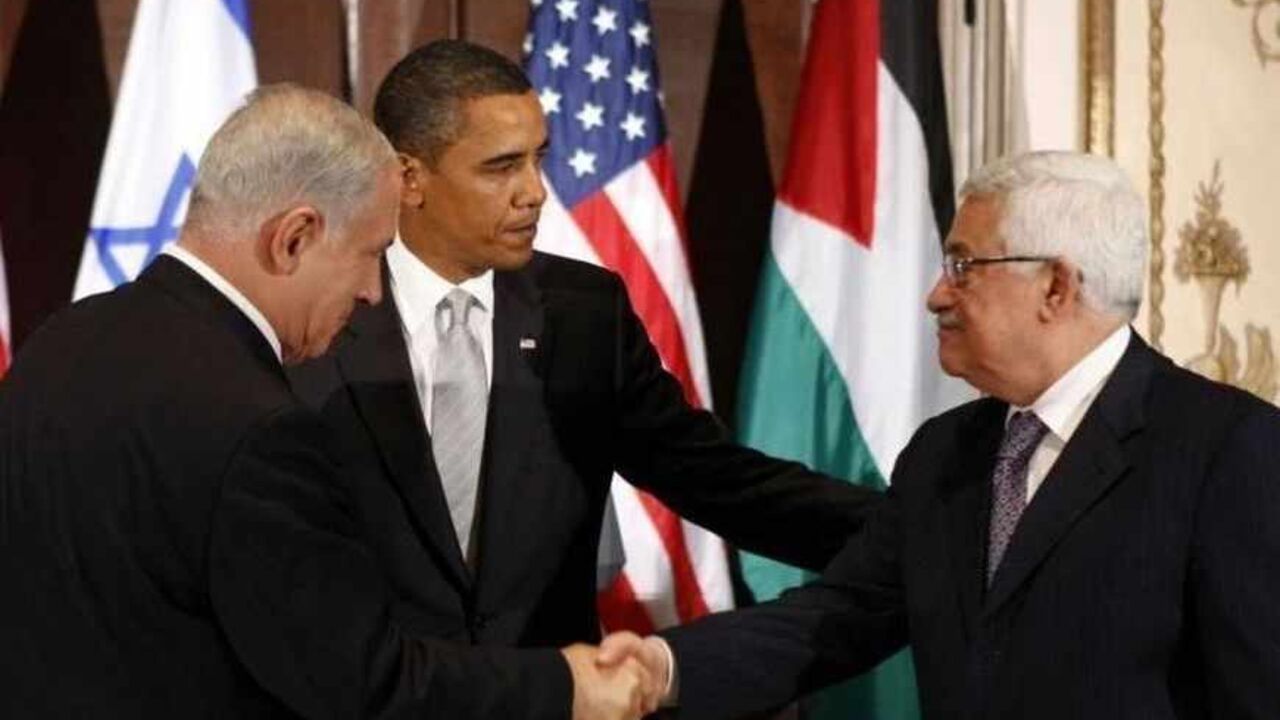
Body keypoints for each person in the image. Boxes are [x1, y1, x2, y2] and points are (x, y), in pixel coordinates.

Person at [0, 84, 654, 720]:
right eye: (372, 254)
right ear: (293, 238)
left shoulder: (59, 344)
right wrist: (566, 687)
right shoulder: (258, 428)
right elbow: (364, 683)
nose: (374, 291)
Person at [286, 37, 878, 700]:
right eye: (500, 167)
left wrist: (913, 531)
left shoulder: (583, 313)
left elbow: (718, 480)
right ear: (410, 177)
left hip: (549, 703)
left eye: (538, 159)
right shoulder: (316, 317)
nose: (534, 193)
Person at [602, 150, 1280, 719]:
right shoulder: (944, 454)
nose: (936, 295)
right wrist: (663, 665)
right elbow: (842, 614)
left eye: (963, 266)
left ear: (1056, 286)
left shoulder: (1225, 447)